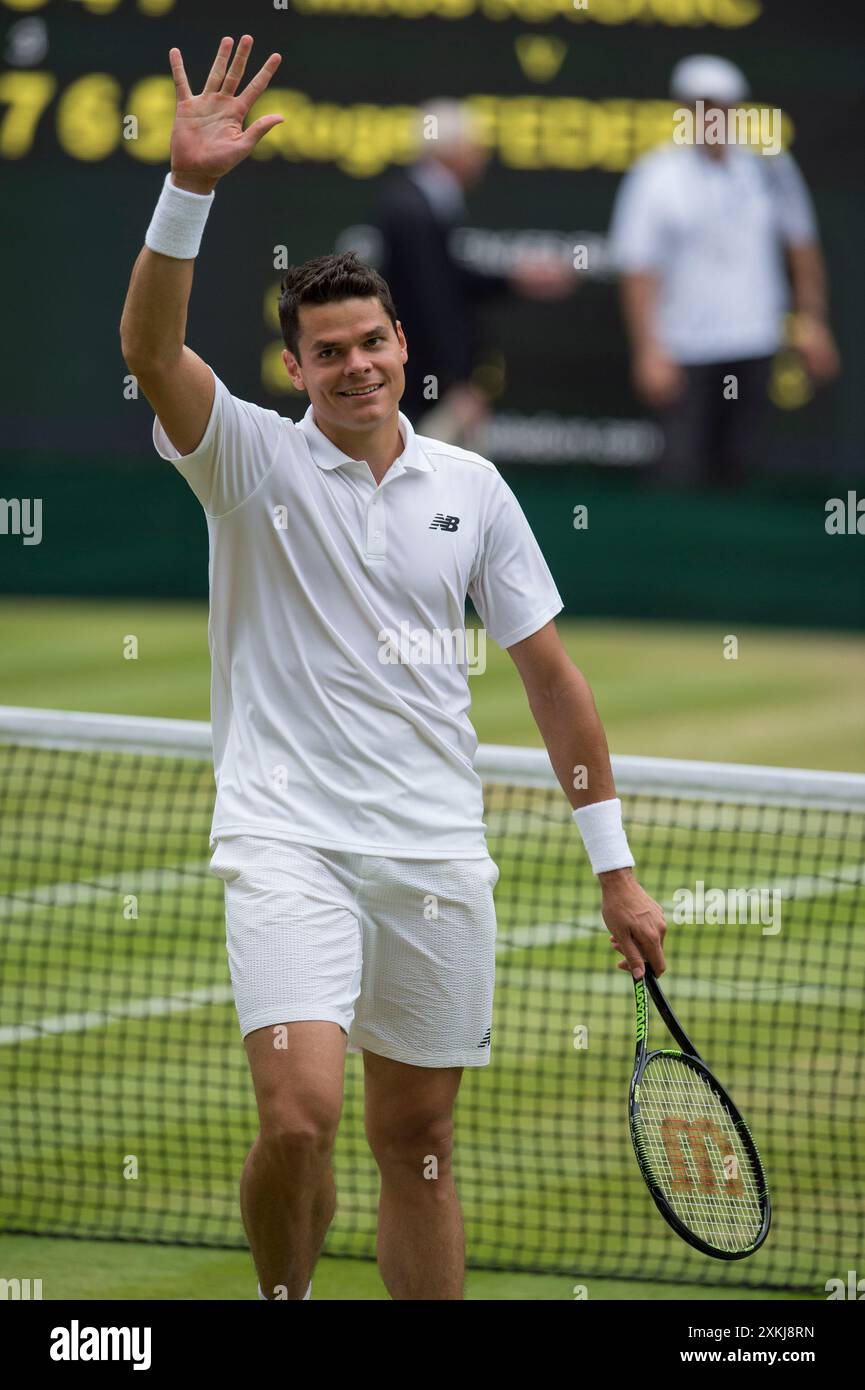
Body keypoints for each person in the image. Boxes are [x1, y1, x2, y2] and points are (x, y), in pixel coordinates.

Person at [120, 35, 666, 1302]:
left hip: (433, 857)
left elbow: (551, 681)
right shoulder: (244, 461)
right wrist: (186, 186)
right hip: (286, 843)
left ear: (400, 340)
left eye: (372, 341)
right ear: (294, 368)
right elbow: (153, 351)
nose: (356, 364)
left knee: (417, 1145)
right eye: (328, 351)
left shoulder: (473, 489)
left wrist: (617, 872)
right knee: (299, 1113)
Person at [609, 54, 840, 488]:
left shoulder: (771, 167)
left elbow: (802, 247)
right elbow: (639, 270)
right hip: (684, 349)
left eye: (719, 107)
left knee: (742, 471)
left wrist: (812, 321)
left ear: (736, 110)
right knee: (679, 471)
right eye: (700, 107)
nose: (710, 117)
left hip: (754, 344)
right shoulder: (656, 175)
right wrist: (648, 349)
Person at [373, 99, 572, 446]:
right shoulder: (413, 210)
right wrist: (456, 384)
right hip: (422, 388)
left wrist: (515, 279)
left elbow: (448, 282)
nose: (483, 155)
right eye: (475, 146)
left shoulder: (423, 202)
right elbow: (430, 302)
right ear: (450, 150)